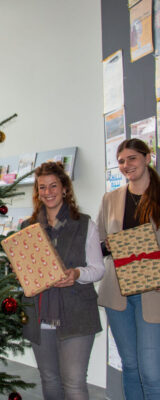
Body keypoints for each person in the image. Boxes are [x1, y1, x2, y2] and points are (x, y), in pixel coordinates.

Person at [21, 161, 104, 400]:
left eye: (53, 186)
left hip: (77, 314)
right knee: (50, 381)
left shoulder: (85, 224)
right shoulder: (28, 228)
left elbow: (98, 269)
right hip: (40, 317)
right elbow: (24, 272)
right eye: (42, 187)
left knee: (75, 384)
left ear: (65, 188)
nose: (48, 192)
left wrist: (77, 274)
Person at [97, 138, 160, 399]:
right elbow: (98, 245)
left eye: (132, 158)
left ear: (147, 158)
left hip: (152, 293)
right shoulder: (111, 198)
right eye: (121, 161)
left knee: (151, 371)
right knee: (130, 367)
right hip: (117, 293)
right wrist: (108, 245)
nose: (126, 165)